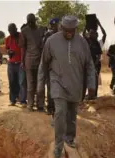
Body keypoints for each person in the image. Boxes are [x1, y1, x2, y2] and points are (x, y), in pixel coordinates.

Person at [38, 15, 96, 158]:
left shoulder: (82, 42)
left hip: (76, 84)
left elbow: (89, 65)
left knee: (71, 115)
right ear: (61, 27)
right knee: (60, 112)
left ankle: (69, 138)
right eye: (66, 30)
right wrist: (40, 85)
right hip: (57, 82)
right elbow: (44, 64)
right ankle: (58, 145)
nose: (69, 33)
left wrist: (91, 84)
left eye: (72, 30)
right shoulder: (51, 41)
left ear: (76, 29)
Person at [20, 13, 46, 112]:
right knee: (30, 85)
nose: (30, 23)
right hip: (29, 61)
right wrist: (22, 61)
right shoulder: (24, 31)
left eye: (32, 21)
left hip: (40, 61)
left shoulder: (41, 30)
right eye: (29, 22)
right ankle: (30, 105)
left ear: (35, 20)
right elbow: (23, 48)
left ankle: (40, 105)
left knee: (40, 84)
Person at [82, 18, 106, 100]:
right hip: (87, 63)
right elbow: (83, 34)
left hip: (96, 64)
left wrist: (99, 24)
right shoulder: (87, 41)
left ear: (96, 35)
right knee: (85, 79)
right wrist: (86, 26)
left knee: (94, 79)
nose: (91, 34)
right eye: (90, 33)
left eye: (93, 33)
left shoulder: (99, 43)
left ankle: (93, 95)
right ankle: (87, 95)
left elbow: (104, 34)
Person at [5, 23, 27, 106]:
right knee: (12, 82)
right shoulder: (7, 39)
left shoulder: (21, 36)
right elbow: (7, 49)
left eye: (13, 30)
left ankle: (23, 101)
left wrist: (23, 61)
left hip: (20, 63)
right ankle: (12, 100)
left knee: (21, 82)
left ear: (16, 29)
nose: (11, 32)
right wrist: (9, 52)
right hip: (11, 63)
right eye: (10, 31)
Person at [41, 17, 60, 116]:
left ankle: (57, 108)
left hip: (60, 66)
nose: (55, 27)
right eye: (54, 25)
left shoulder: (62, 36)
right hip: (51, 66)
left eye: (56, 25)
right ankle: (50, 108)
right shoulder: (48, 35)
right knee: (50, 87)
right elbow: (44, 52)